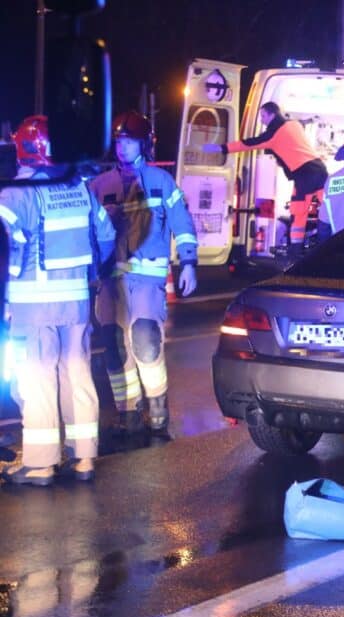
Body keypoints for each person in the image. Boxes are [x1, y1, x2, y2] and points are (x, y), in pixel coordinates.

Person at [0, 115, 115, 485]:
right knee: (77, 373)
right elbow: (106, 235)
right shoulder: (80, 189)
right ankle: (84, 458)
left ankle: (41, 464)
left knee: (37, 380)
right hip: (77, 302)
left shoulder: (17, 194)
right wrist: (91, 273)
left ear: (25, 150)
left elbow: (8, 245)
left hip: (33, 305)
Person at [90, 111, 199, 436]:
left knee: (145, 338)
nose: (122, 147)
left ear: (144, 145)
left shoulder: (160, 181)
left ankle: (157, 407)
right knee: (113, 344)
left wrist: (188, 263)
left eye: (130, 141)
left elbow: (181, 222)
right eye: (119, 141)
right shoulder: (100, 185)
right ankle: (128, 410)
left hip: (147, 279)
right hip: (110, 281)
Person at [203, 102, 327, 257]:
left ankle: (296, 250)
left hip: (303, 175)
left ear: (272, 115)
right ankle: (332, 242)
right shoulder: (294, 124)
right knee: (328, 209)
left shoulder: (273, 134)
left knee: (298, 212)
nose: (261, 120)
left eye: (263, 116)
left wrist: (222, 148)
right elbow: (297, 133)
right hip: (320, 170)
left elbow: (248, 144)